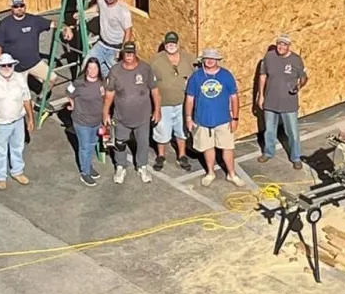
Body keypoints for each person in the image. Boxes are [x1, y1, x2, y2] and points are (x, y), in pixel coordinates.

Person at [102, 42, 159, 184]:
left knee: (143, 143)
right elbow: (109, 93)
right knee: (119, 143)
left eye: (131, 53)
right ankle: (120, 166)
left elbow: (154, 90)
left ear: (135, 53)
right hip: (121, 117)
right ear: (123, 54)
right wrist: (105, 112)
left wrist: (157, 110)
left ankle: (142, 166)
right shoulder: (115, 71)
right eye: (126, 53)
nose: (129, 56)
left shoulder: (145, 69)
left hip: (142, 117)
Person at [184, 47, 242, 187]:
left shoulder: (226, 75)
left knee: (227, 148)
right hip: (203, 120)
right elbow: (190, 99)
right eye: (207, 58)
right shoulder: (196, 77)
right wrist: (188, 117)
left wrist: (235, 118)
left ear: (217, 60)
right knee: (207, 148)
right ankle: (210, 172)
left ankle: (232, 174)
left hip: (223, 120)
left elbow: (234, 98)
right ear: (203, 60)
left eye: (213, 59)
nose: (210, 61)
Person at [0, 53, 34, 189]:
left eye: (9, 65)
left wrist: (30, 118)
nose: (6, 67)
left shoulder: (20, 78)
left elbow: (26, 99)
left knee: (18, 147)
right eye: (3, 65)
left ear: (13, 65)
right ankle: (0, 176)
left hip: (18, 121)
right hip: (0, 123)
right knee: (0, 150)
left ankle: (17, 171)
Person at [256, 33, 309, 169]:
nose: (281, 47)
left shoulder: (296, 60)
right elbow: (262, 76)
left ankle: (296, 157)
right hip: (270, 101)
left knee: (292, 132)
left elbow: (303, 77)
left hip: (288, 103)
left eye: (284, 44)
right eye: (279, 44)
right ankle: (268, 152)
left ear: (288, 46)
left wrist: (299, 86)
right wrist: (260, 95)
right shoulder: (269, 57)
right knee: (269, 130)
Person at [149, 31, 194, 172]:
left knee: (182, 131)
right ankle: (161, 156)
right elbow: (149, 82)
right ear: (164, 44)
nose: (171, 45)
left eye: (173, 43)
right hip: (163, 104)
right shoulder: (155, 61)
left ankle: (182, 155)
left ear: (178, 44)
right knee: (162, 131)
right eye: (168, 43)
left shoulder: (189, 59)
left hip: (183, 103)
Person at [65, 59, 108, 186]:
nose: (93, 71)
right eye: (90, 68)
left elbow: (105, 97)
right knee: (84, 148)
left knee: (92, 145)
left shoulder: (102, 83)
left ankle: (88, 165)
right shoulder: (79, 83)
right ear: (86, 69)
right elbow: (68, 92)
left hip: (96, 121)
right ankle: (85, 173)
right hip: (82, 122)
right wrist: (72, 104)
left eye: (95, 68)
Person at [0, 0, 53, 79]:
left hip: (34, 63)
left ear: (25, 6)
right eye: (16, 6)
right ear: (11, 8)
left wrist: (65, 28)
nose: (19, 8)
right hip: (15, 67)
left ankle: (44, 92)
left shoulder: (34, 20)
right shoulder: (4, 24)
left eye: (21, 6)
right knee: (17, 90)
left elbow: (52, 23)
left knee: (52, 78)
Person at [86, 0, 133, 76]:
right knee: (87, 65)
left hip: (115, 49)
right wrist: (83, 13)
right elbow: (97, 8)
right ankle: (75, 90)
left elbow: (128, 31)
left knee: (118, 76)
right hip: (101, 44)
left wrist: (122, 52)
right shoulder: (101, 2)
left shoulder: (123, 11)